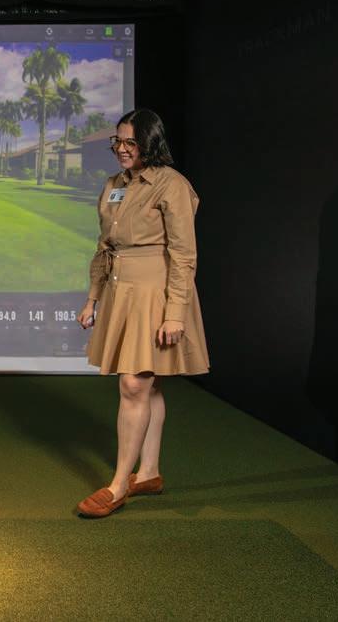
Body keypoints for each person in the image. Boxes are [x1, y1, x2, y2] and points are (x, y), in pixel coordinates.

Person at [75, 108, 209, 518]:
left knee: (134, 385)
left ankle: (118, 485)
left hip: (156, 292)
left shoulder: (172, 185)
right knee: (147, 387)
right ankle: (148, 472)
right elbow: (104, 247)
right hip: (121, 289)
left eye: (130, 142)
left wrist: (175, 313)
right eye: (117, 141)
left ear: (150, 143)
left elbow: (184, 255)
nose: (121, 148)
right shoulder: (113, 186)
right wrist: (93, 297)